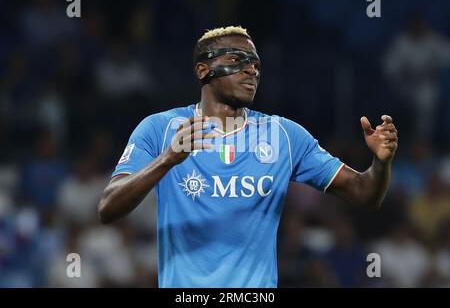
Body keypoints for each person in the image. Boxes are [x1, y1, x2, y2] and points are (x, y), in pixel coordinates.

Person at [98, 26, 398, 287]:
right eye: (236, 60)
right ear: (203, 70)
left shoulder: (285, 136)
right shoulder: (160, 129)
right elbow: (108, 208)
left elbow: (364, 195)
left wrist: (380, 163)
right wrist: (167, 160)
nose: (251, 70)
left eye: (255, 63)